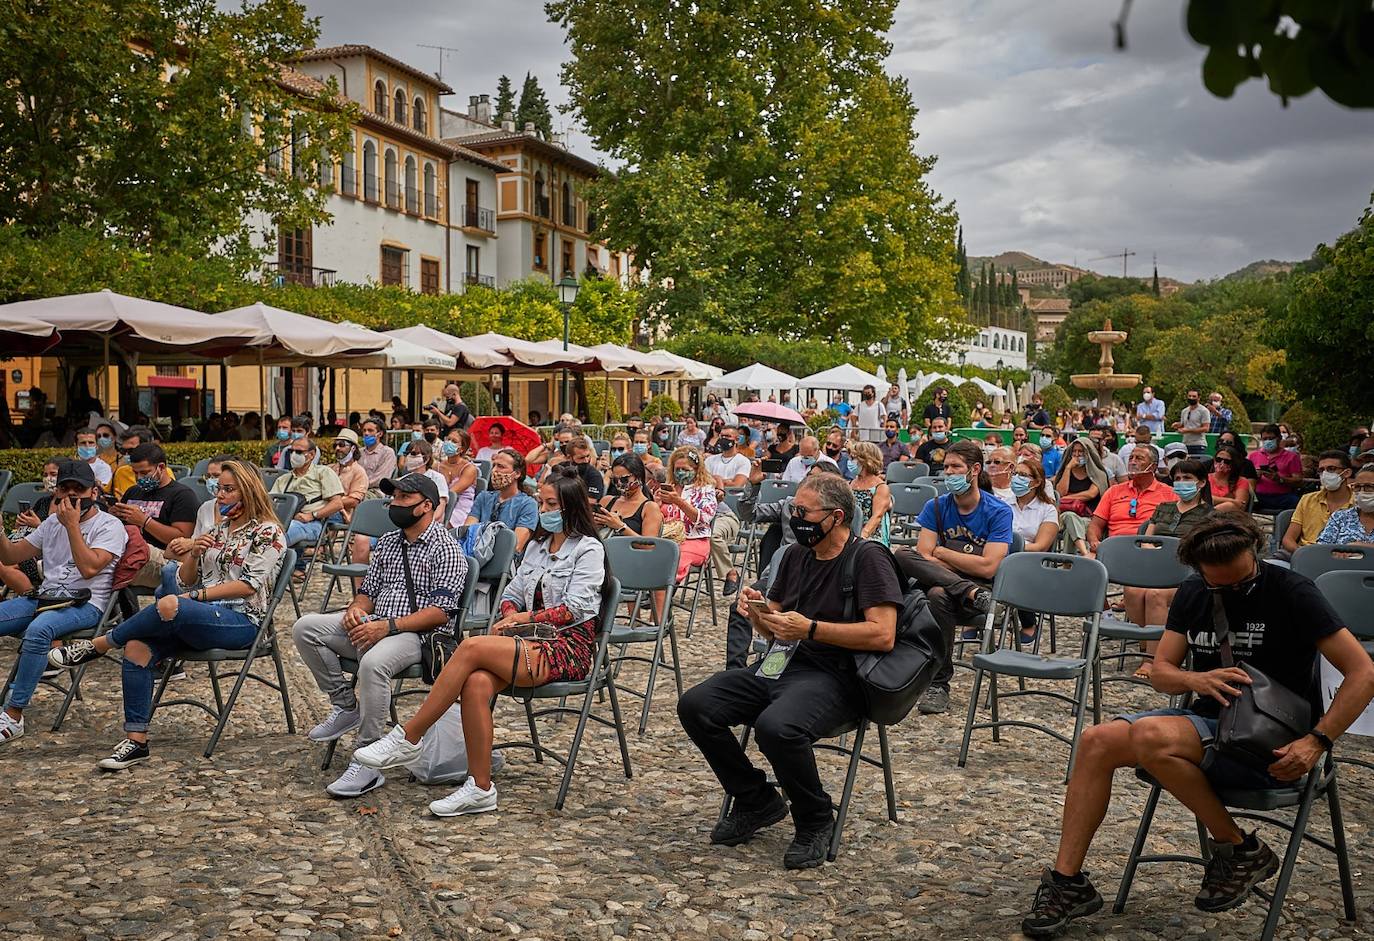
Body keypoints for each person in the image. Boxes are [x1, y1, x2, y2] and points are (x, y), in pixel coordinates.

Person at [1020, 513, 1374, 939]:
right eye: (1218, 584)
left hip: (1273, 739)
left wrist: (1318, 742)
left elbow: (1363, 672)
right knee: (1095, 740)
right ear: (1199, 571)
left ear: (1255, 556)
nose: (1231, 591)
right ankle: (1068, 882)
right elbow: (1161, 671)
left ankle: (1237, 850)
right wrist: (1195, 679)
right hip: (1206, 725)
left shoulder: (1291, 591)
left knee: (1151, 737)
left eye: (1241, 581)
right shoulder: (1194, 592)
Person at [677, 472, 903, 869]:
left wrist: (813, 628)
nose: (793, 516)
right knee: (697, 704)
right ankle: (756, 799)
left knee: (776, 727)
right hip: (780, 663)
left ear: (835, 516)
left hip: (835, 675)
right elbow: (776, 625)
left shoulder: (867, 558)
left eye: (802, 511)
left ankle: (816, 818)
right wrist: (757, 612)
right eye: (792, 508)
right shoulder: (798, 554)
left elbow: (883, 635)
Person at [352, 472, 607, 818]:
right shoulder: (537, 547)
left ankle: (409, 737)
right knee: (475, 682)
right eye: (541, 502)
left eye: (551, 505)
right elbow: (513, 592)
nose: (543, 509)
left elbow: (577, 608)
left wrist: (522, 620)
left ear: (571, 509)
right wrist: (509, 612)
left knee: (470, 648)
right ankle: (480, 788)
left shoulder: (589, 549)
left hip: (565, 646)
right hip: (526, 641)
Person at [51, 461, 285, 770]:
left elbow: (246, 585)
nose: (220, 495)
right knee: (136, 648)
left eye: (228, 489)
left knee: (171, 604)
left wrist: (192, 597)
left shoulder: (268, 531)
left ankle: (99, 645)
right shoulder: (220, 528)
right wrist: (195, 553)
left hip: (241, 621)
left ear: (249, 491)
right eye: (218, 488)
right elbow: (187, 578)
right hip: (199, 616)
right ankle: (136, 741)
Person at [292, 473, 468, 798]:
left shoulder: (445, 548)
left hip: (417, 634)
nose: (394, 504)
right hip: (375, 622)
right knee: (305, 628)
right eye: (394, 497)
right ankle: (346, 706)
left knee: (373, 663)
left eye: (403, 499)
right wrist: (355, 609)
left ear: (426, 506)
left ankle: (368, 758)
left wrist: (387, 626)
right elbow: (369, 590)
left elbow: (442, 612)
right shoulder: (388, 541)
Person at [0, 461, 128, 746]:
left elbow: (89, 569)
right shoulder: (51, 523)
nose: (71, 496)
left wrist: (72, 526)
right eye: (64, 489)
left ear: (93, 493)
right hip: (47, 597)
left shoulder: (110, 526)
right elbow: (11, 556)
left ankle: (13, 714)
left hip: (86, 604)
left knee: (40, 630)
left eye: (78, 489)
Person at [894, 440, 1010, 714]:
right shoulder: (936, 506)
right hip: (969, 590)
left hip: (977, 585)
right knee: (902, 554)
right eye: (946, 467)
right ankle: (969, 592)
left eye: (956, 467)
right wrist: (962, 572)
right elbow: (922, 555)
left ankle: (939, 683)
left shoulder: (998, 511)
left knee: (937, 594)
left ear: (974, 470)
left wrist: (943, 552)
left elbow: (988, 568)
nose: (949, 473)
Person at [1122, 458, 1215, 680]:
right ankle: (1146, 641)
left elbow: (1201, 549)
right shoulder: (1164, 508)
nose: (1181, 483)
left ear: (1201, 483)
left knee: (1155, 595)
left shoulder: (1209, 515)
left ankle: (1153, 660)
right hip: (1153, 566)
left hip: (1186, 574)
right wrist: (1150, 548)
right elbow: (1147, 536)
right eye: (1178, 478)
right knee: (1132, 590)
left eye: (1188, 479)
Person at [108, 443, 199, 590]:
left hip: (164, 557)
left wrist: (145, 521)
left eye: (144, 473)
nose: (138, 478)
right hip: (131, 552)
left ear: (161, 467)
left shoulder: (182, 495)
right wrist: (113, 515)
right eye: (135, 473)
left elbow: (181, 539)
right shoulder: (133, 492)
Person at [271, 436, 344, 577]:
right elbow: (271, 503)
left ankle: (272, 574)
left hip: (312, 523)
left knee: (278, 535)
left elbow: (337, 503)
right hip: (285, 522)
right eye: (291, 451)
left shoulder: (323, 473)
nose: (293, 455)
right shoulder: (283, 479)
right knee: (268, 532)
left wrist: (311, 515)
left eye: (298, 452)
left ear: (311, 455)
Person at [657, 447, 717, 582]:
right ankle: (651, 592)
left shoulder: (705, 490)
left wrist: (678, 502)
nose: (680, 473)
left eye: (685, 470)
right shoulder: (668, 487)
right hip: (666, 538)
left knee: (673, 558)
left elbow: (705, 518)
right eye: (677, 469)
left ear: (696, 470)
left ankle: (661, 593)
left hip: (694, 540)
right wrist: (655, 504)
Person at [1278, 450, 1354, 558]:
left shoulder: (1360, 503)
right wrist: (1305, 554)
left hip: (1344, 561)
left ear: (1347, 473)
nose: (1325, 474)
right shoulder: (1307, 499)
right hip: (1305, 555)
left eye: (1331, 469)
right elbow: (1288, 539)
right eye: (1321, 470)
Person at [461, 449, 539, 554]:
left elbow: (515, 546)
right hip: (475, 554)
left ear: (517, 474)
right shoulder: (484, 497)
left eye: (501, 467)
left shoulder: (528, 504)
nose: (494, 471)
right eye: (494, 465)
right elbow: (468, 531)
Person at [1249, 423, 1303, 514]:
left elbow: (1298, 480)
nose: (1268, 441)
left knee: (1297, 503)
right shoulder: (1254, 456)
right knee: (1243, 500)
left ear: (1279, 439)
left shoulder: (1292, 457)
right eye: (1265, 439)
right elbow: (1244, 478)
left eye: (1271, 438)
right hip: (1259, 496)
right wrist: (1255, 476)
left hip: (1283, 496)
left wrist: (1280, 479)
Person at [1317, 464, 1374, 546]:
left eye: (1369, 486)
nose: (1361, 492)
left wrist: (1361, 547)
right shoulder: (1340, 517)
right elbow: (1321, 549)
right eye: (1357, 487)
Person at [848, 441, 891, 546]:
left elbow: (877, 517)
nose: (850, 462)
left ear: (865, 460)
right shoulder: (850, 484)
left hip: (872, 535)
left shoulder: (881, 487)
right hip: (850, 533)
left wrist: (860, 538)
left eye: (854, 458)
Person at [399, 439, 451, 523]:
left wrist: (423, 524)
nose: (408, 457)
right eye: (406, 454)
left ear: (426, 458)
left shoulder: (437, 478)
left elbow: (440, 508)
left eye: (413, 454)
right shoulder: (404, 479)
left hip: (430, 525)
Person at [436, 429, 479, 524]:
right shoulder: (437, 466)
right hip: (439, 504)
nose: (449, 443)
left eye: (454, 441)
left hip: (461, 507)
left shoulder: (469, 468)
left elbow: (452, 493)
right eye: (448, 439)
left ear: (462, 449)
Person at [328, 430, 369, 526]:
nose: (337, 448)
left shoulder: (359, 472)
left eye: (342, 445)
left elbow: (353, 501)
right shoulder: (330, 468)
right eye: (335, 445)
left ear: (353, 448)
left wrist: (329, 504)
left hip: (343, 515)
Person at [1206, 445, 1252, 514]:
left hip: (1230, 517)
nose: (1221, 463)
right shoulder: (1205, 478)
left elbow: (1241, 506)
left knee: (1229, 506)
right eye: (1218, 459)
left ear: (1234, 464)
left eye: (1226, 461)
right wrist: (1232, 501)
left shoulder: (1242, 481)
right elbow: (1203, 499)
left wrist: (1227, 503)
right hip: (1206, 513)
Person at [357, 418, 397, 495]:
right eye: (364, 430)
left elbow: (380, 479)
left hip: (376, 492)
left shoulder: (387, 452)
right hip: (357, 490)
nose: (366, 433)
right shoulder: (359, 452)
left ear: (380, 434)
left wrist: (358, 485)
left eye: (370, 430)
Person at [1172, 390, 1210, 456]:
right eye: (1189, 396)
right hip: (1185, 443)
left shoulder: (1204, 411)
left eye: (1194, 396)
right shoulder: (1184, 411)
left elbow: (1206, 428)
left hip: (1198, 444)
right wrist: (1178, 425)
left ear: (1198, 398)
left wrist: (1188, 430)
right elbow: (1184, 424)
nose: (1191, 398)